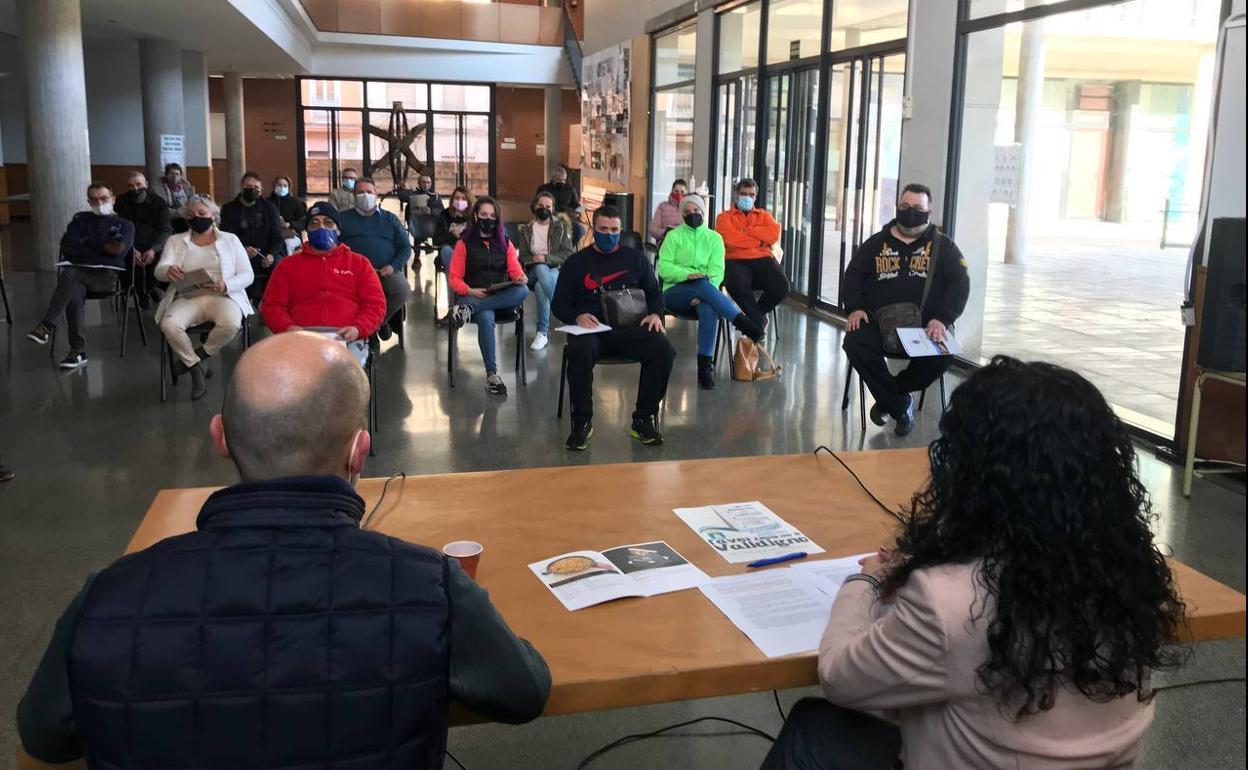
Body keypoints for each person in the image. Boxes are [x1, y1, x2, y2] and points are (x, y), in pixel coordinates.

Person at [16, 332, 552, 768]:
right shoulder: (426, 585)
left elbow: (44, 738)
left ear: (220, 437)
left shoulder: (109, 597)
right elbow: (523, 692)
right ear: (359, 451)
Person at [761, 356, 1187, 770]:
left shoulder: (946, 600)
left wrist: (866, 581)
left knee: (814, 726)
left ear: (976, 473)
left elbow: (839, 676)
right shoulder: (1131, 576)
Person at [841, 183, 970, 437]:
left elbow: (960, 284)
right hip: (879, 324)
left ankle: (893, 394)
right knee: (854, 343)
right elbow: (853, 275)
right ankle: (900, 405)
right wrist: (855, 308)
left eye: (917, 208)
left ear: (929, 212)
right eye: (905, 207)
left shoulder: (944, 247)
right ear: (897, 208)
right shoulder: (876, 243)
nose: (910, 212)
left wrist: (942, 319)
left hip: (925, 327)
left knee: (943, 355)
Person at [552, 205, 674, 450]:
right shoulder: (576, 263)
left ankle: (643, 419)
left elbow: (654, 293)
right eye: (603, 230)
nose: (610, 235)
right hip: (592, 330)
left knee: (663, 349)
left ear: (622, 230)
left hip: (630, 326)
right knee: (579, 351)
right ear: (594, 231)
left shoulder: (637, 259)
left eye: (615, 230)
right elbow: (559, 304)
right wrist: (577, 316)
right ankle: (582, 422)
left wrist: (656, 314)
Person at [658, 193, 764, 390]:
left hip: (705, 294)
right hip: (675, 293)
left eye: (696, 210)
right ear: (682, 214)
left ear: (703, 212)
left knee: (708, 306)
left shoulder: (714, 238)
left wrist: (703, 291)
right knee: (702, 285)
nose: (692, 214)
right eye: (688, 212)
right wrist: (686, 276)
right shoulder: (673, 236)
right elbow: (663, 268)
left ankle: (704, 369)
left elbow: (717, 271)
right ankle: (743, 322)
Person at [153, 195, 254, 400]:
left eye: (202, 213)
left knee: (231, 323)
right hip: (187, 296)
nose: (196, 217)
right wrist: (168, 271)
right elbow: (159, 270)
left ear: (213, 216)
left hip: (223, 296)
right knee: (169, 325)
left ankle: (199, 356)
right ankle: (196, 369)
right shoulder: (176, 240)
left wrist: (226, 284)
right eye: (191, 215)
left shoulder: (230, 240)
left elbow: (247, 275)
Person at [261, 202, 386, 367]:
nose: (321, 227)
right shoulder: (287, 266)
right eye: (314, 223)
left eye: (328, 222)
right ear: (307, 231)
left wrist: (358, 328)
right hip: (300, 336)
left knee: (345, 376)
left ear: (338, 230)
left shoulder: (359, 263)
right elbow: (271, 306)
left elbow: (375, 305)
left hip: (347, 337)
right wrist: (288, 328)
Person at [25, 182, 134, 370]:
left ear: (113, 199)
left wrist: (85, 244)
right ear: (88, 201)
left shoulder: (124, 224)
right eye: (94, 200)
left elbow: (117, 251)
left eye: (104, 199)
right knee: (74, 290)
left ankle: (47, 326)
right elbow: (67, 246)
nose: (99, 203)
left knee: (71, 274)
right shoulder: (80, 220)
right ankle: (77, 351)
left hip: (106, 277)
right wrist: (100, 246)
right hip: (79, 274)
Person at [447, 196, 530, 396]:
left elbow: (515, 270)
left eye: (492, 215)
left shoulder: (505, 243)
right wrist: (471, 292)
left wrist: (520, 277)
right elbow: (454, 279)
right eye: (484, 214)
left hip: (498, 296)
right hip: (471, 294)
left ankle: (468, 311)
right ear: (475, 216)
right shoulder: (464, 244)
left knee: (524, 290)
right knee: (486, 316)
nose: (488, 218)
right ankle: (492, 375)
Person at [339, 178, 412, 342]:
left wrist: (393, 267)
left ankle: (375, 324)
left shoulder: (390, 219)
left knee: (402, 290)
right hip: (353, 272)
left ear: (376, 195)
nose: (365, 195)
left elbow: (405, 248)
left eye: (369, 192)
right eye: (360, 192)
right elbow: (335, 247)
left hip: (385, 271)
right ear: (353, 195)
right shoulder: (342, 218)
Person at [716, 178, 789, 330]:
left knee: (782, 286)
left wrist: (748, 231)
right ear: (736, 195)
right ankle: (758, 321)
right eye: (743, 194)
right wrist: (759, 241)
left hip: (763, 259)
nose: (747, 197)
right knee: (736, 283)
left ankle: (753, 320)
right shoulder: (724, 217)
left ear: (756, 197)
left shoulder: (764, 215)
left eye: (751, 194)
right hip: (735, 259)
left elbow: (773, 235)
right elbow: (730, 240)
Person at [515, 190, 575, 351]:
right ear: (534, 206)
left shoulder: (560, 227)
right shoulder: (525, 229)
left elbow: (568, 254)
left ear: (553, 208)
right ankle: (562, 308)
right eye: (540, 205)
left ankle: (542, 334)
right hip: (533, 272)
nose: (544, 208)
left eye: (548, 206)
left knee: (542, 287)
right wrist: (534, 260)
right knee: (541, 269)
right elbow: (522, 258)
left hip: (555, 270)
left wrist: (546, 259)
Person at [220, 171, 286, 302]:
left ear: (261, 190)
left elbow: (277, 236)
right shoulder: (228, 209)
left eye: (256, 188)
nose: (252, 190)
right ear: (241, 186)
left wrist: (271, 255)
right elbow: (226, 236)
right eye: (248, 186)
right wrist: (243, 249)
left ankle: (274, 302)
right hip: (238, 254)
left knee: (280, 265)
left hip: (265, 254)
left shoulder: (269, 207)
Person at [114, 169, 173, 309]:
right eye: (131, 186)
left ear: (146, 184)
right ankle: (140, 292)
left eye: (138, 184)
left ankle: (149, 288)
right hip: (130, 243)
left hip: (153, 243)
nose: (135, 188)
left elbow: (165, 229)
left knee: (160, 259)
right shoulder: (121, 202)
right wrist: (130, 248)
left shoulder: (159, 203)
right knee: (128, 261)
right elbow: (118, 228)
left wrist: (153, 249)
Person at [433, 186, 473, 326]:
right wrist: (452, 235)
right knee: (447, 252)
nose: (460, 201)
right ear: (452, 200)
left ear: (468, 201)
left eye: (463, 198)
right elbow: (436, 240)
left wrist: (461, 236)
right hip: (448, 256)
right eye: (457, 198)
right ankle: (455, 308)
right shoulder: (444, 215)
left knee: (454, 268)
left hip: (469, 257)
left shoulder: (474, 218)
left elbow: (476, 240)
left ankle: (455, 309)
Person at [537, 166, 583, 244]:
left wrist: (577, 213)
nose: (561, 182)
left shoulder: (570, 189)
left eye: (563, 180)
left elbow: (578, 206)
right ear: (553, 178)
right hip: (547, 217)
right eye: (559, 180)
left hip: (565, 218)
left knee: (579, 230)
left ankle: (568, 247)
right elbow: (533, 206)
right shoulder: (543, 188)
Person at [269, 174, 307, 257]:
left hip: (291, 235)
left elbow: (304, 223)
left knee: (287, 244)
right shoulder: (268, 202)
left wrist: (290, 224)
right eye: (279, 185)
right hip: (271, 234)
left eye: (285, 186)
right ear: (274, 186)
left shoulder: (295, 203)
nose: (282, 188)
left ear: (289, 188)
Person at [152, 162, 195, 232]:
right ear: (166, 175)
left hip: (185, 216)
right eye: (171, 173)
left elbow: (191, 202)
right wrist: (178, 213)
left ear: (181, 176)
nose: (174, 177)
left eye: (177, 174)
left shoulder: (186, 187)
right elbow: (159, 209)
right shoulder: (157, 189)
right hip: (168, 218)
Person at [647, 178, 687, 245]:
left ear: (686, 192)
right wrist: (666, 233)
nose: (679, 194)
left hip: (684, 244)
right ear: (672, 191)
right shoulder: (662, 206)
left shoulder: (689, 207)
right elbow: (652, 229)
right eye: (676, 191)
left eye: (682, 192)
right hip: (665, 243)